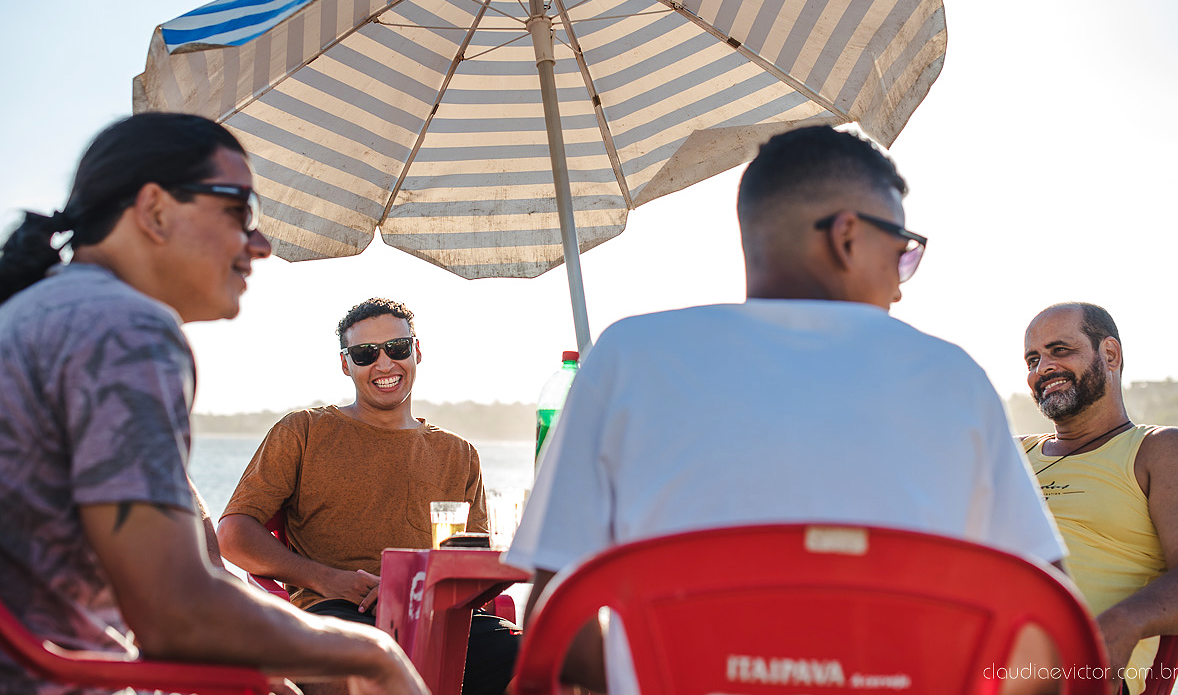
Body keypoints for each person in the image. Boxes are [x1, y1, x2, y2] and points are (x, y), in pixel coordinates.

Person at [504, 125, 1066, 694]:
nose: (900, 287)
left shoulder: (626, 358)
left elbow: (556, 621)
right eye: (902, 253)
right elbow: (1048, 635)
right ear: (847, 238)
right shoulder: (953, 379)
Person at [0, 113, 427, 695]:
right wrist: (372, 653)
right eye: (238, 211)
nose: (261, 243)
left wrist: (276, 655)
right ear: (154, 211)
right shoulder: (124, 330)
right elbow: (176, 612)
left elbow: (201, 562)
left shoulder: (52, 314)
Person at [217, 298, 520, 695]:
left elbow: (476, 562)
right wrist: (329, 580)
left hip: (440, 620)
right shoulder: (303, 431)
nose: (384, 364)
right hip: (337, 612)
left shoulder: (458, 453)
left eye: (397, 348)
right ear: (346, 364)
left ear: (417, 351)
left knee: (554, 659)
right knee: (361, 678)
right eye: (365, 353)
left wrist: (424, 586)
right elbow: (233, 535)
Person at [1021, 303, 1178, 694]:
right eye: (1033, 359)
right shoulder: (1010, 453)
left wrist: (1123, 622)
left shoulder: (1158, 449)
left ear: (1110, 355)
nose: (1042, 368)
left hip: (1076, 674)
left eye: (1060, 350)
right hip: (975, 652)